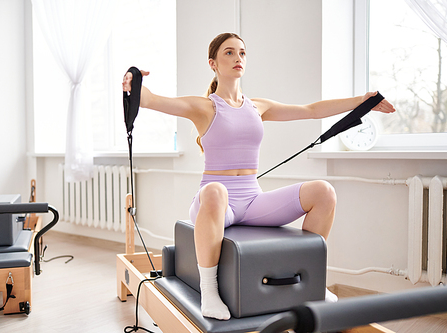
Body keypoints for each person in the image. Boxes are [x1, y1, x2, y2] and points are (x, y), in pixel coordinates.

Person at [123, 32, 395, 321]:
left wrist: (361, 101)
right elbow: (150, 100)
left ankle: (310, 280)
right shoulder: (205, 107)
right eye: (229, 52)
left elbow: (312, 111)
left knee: (323, 192)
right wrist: (134, 81)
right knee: (216, 191)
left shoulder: (257, 107)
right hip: (215, 202)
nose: (238, 57)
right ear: (213, 63)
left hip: (252, 201)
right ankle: (210, 291)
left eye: (242, 52)